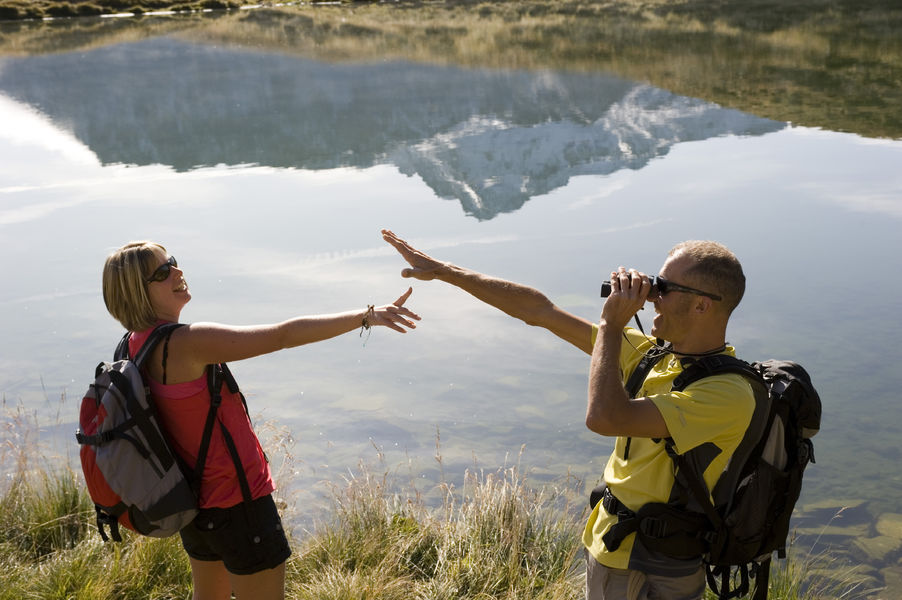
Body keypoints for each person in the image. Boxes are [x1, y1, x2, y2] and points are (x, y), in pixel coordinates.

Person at [381, 229, 755, 600]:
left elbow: (604, 418)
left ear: (702, 305)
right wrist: (446, 271)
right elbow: (540, 312)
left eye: (665, 287)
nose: (652, 296)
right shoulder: (656, 357)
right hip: (613, 545)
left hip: (650, 563)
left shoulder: (725, 394)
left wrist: (611, 325)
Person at [101, 241, 420, 600]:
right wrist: (366, 316)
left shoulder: (131, 347)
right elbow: (283, 335)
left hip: (191, 504)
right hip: (239, 505)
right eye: (163, 272)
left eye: (172, 262)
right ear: (138, 292)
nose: (178, 271)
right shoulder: (187, 343)